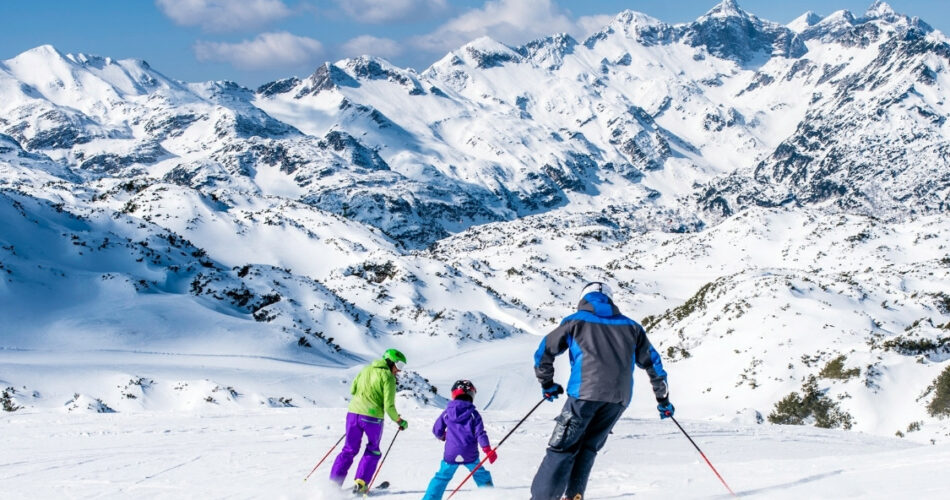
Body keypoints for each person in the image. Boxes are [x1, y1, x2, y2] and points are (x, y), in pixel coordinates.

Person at [530, 281, 673, 500]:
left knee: (562, 447)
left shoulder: (575, 321)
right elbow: (654, 364)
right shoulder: (632, 326)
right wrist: (663, 400)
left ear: (583, 298)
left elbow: (544, 353)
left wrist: (547, 384)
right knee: (588, 449)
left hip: (584, 394)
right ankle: (574, 496)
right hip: (618, 400)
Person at [329, 348, 409, 494]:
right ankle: (361, 483)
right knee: (373, 449)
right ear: (390, 361)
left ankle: (334, 484)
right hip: (372, 418)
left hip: (353, 414)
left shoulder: (365, 370)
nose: (399, 370)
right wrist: (399, 421)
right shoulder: (388, 377)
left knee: (349, 449)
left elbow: (353, 390)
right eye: (399, 366)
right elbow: (388, 405)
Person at [422, 379, 496, 500]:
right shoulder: (474, 414)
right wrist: (487, 449)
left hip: (451, 454)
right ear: (471, 395)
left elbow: (437, 430)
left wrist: (444, 436)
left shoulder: (447, 413)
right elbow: (480, 433)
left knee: (442, 477)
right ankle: (490, 496)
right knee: (481, 474)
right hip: (470, 454)